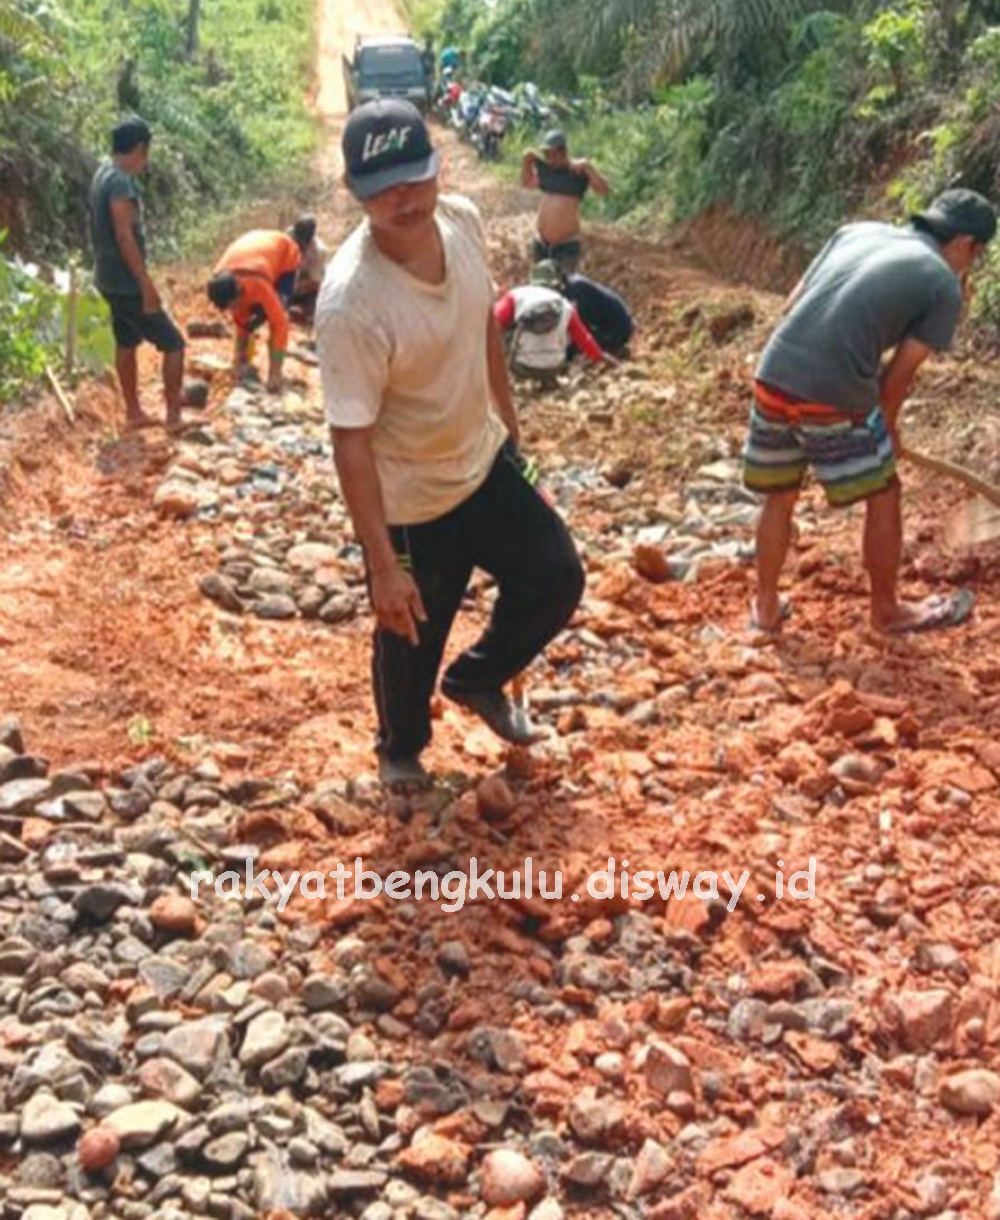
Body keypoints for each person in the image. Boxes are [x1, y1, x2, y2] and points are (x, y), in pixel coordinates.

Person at [316, 100, 585, 791]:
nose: (403, 198)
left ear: (436, 169)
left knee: (556, 575)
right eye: (382, 187)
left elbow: (483, 332)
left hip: (483, 460)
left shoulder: (461, 222)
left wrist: (511, 434)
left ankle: (478, 679)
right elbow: (350, 438)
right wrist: (381, 564)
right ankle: (400, 748)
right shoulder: (353, 301)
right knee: (409, 631)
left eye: (414, 177)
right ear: (354, 193)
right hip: (410, 494)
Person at [742, 188, 997, 635]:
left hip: (773, 373)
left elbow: (792, 305)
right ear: (965, 245)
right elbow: (897, 378)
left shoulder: (855, 232)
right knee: (885, 493)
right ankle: (887, 610)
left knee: (779, 494)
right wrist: (888, 429)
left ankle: (765, 607)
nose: (969, 265)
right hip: (832, 391)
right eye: (976, 256)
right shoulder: (942, 282)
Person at [89, 117, 185, 433]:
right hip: (126, 282)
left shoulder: (102, 173)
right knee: (173, 343)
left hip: (106, 277)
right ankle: (173, 417)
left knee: (127, 340)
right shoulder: (120, 183)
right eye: (146, 153)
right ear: (141, 149)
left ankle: (133, 412)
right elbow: (124, 236)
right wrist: (146, 285)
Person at [206, 229, 302, 392]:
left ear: (239, 290)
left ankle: (275, 370)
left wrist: (275, 372)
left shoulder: (256, 283)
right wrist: (239, 358)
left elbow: (280, 325)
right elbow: (241, 320)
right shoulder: (220, 282)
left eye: (233, 304)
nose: (232, 309)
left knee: (275, 312)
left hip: (285, 256)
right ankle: (245, 358)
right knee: (250, 320)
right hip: (254, 251)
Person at [493, 260, 610, 385]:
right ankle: (547, 380)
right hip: (555, 367)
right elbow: (584, 339)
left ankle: (507, 380)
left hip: (522, 366)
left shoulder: (516, 296)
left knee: (505, 328)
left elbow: (492, 324)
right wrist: (602, 358)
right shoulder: (566, 305)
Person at [521, 130, 609, 275]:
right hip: (542, 243)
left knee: (564, 286)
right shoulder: (547, 172)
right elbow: (527, 183)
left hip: (566, 245)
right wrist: (527, 162)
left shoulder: (578, 172)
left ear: (564, 152)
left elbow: (603, 190)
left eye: (553, 155)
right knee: (539, 286)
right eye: (547, 155)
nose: (550, 159)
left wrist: (589, 169)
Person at [561, 270, 634, 357]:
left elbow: (579, 327)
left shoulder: (577, 291)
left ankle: (614, 347)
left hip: (618, 331)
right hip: (616, 324)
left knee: (576, 347)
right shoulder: (574, 283)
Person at [287, 215, 328, 323]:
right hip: (288, 280)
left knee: (315, 306)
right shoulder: (287, 237)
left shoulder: (319, 252)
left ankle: (303, 311)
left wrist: (298, 286)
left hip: (306, 286)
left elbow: (315, 282)